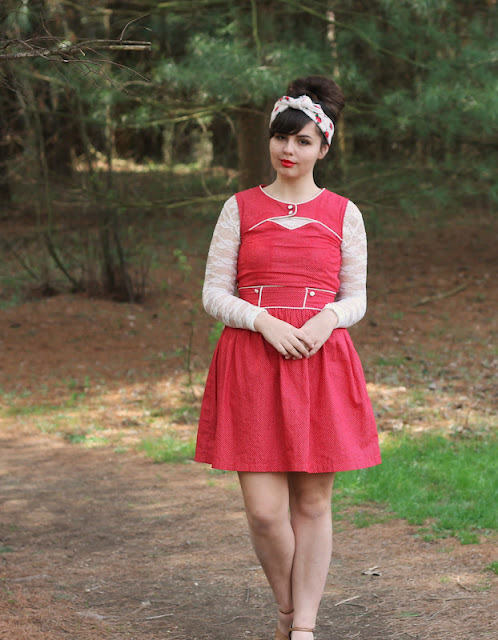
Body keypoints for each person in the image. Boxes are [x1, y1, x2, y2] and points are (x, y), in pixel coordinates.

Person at [195, 75, 381, 640]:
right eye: (282, 138)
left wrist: (325, 319)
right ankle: (285, 608)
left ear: (324, 147)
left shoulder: (344, 213)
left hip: (320, 362)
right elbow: (212, 294)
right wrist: (263, 321)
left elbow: (355, 298)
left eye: (303, 141)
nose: (289, 150)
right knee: (265, 512)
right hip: (252, 361)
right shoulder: (240, 208)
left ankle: (304, 626)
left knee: (313, 503)